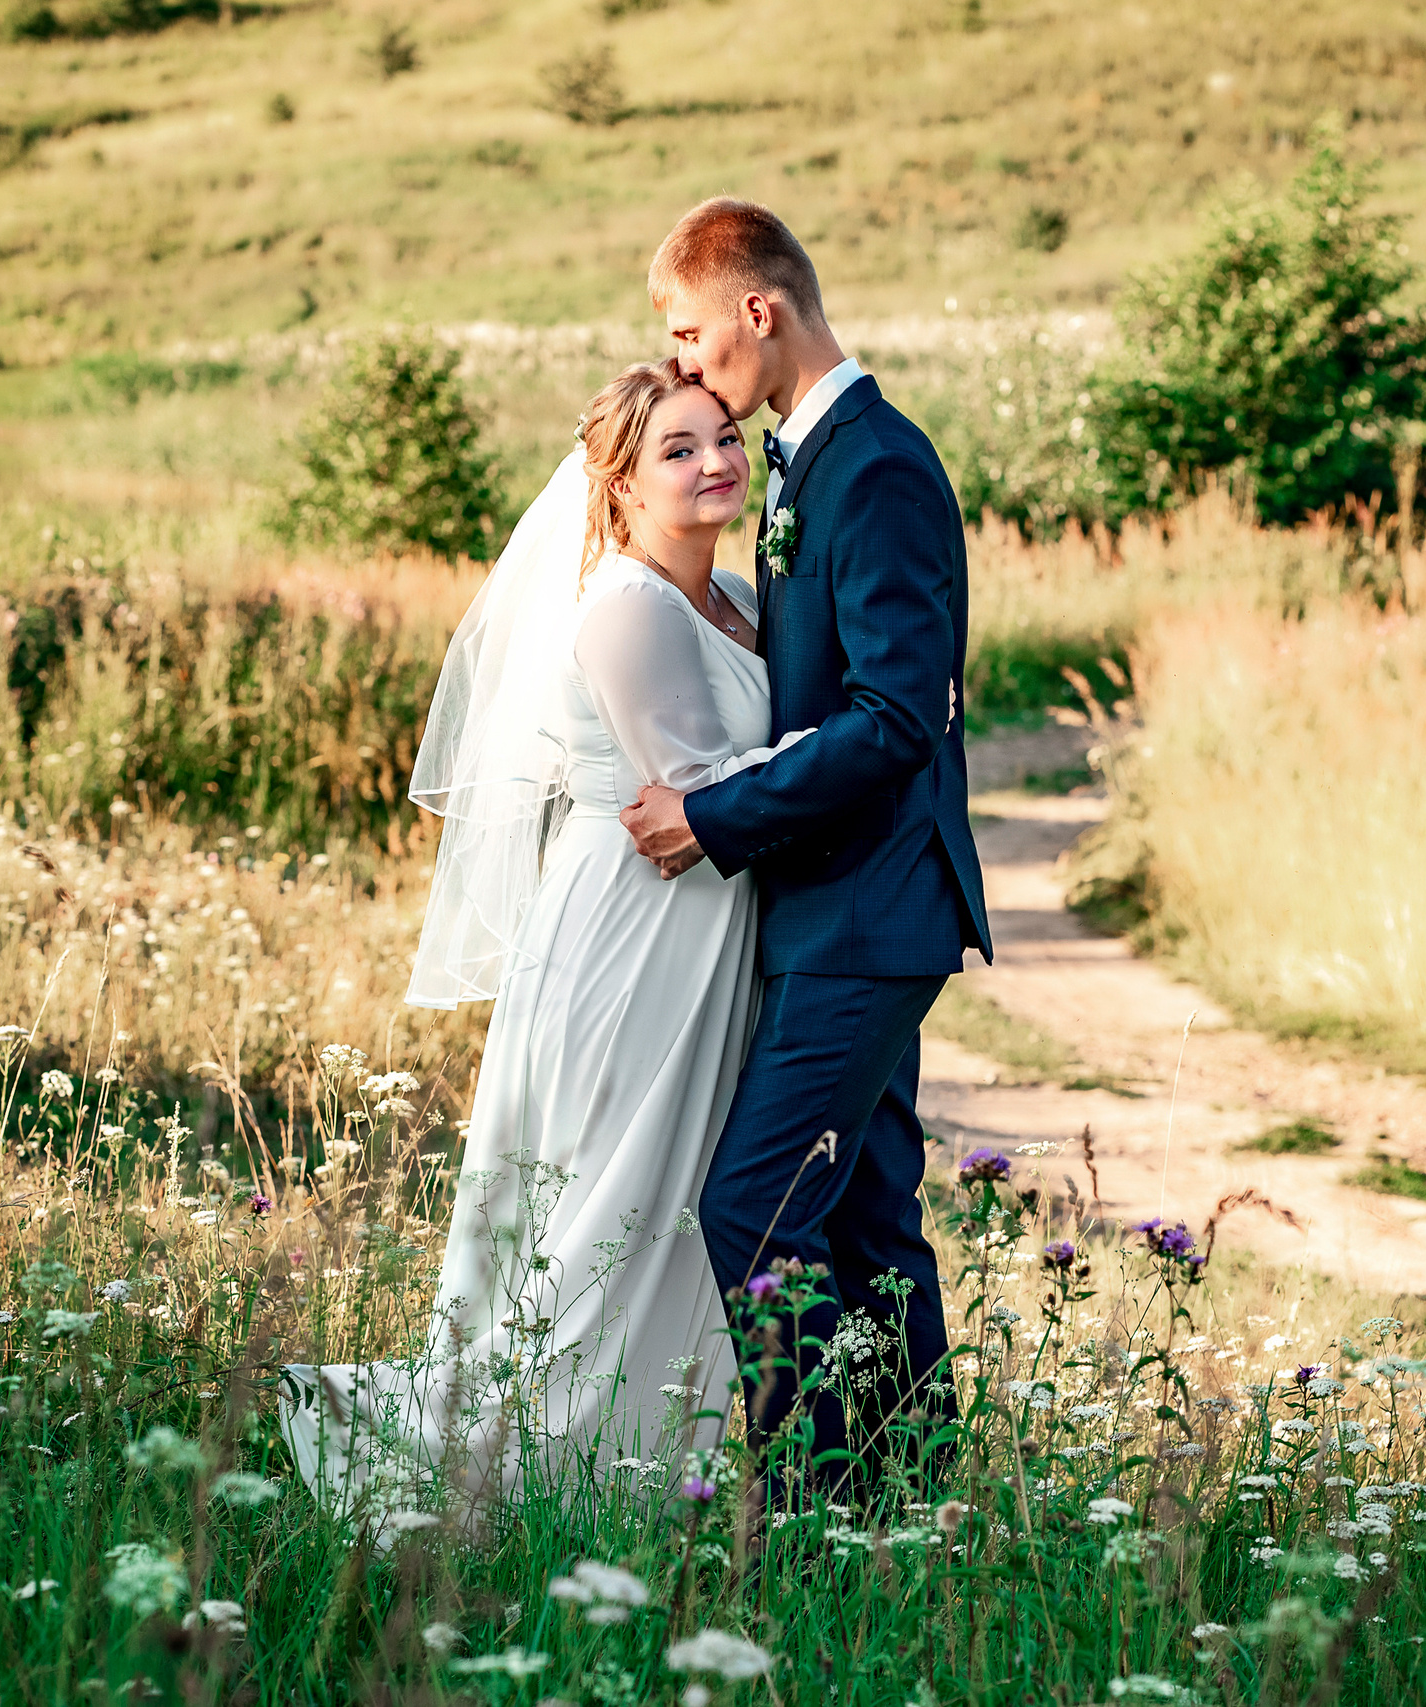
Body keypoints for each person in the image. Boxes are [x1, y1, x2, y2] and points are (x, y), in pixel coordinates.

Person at [280, 363, 809, 1514]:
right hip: (633, 935)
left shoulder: (735, 598)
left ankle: (635, 1468)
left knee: (669, 1200)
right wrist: (861, 743)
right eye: (677, 450)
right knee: (617, 1199)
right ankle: (522, 1469)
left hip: (704, 930)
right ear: (619, 485)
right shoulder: (627, 609)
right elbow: (702, 787)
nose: (715, 462)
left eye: (725, 437)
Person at [620, 197, 993, 1476]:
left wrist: (712, 816)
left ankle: (811, 1504)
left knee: (753, 1208)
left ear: (757, 310)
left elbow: (895, 719)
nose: (681, 359)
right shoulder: (808, 459)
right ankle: (912, 1502)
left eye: (690, 333)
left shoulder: (874, 465)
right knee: (868, 1224)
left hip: (868, 910)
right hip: (838, 909)